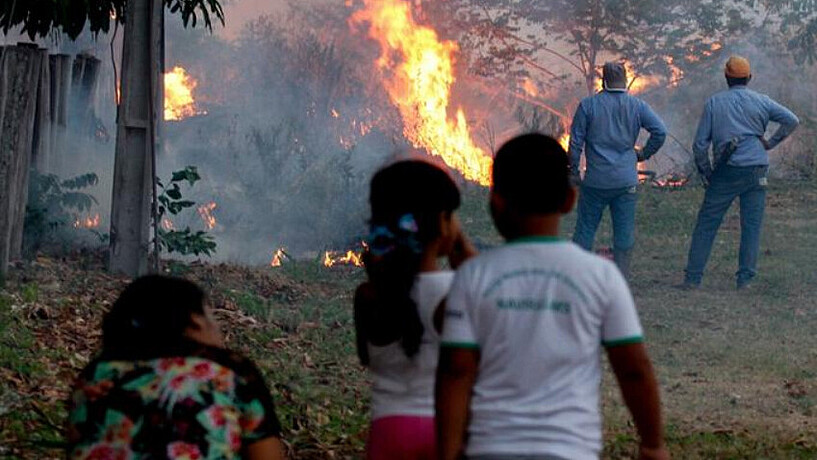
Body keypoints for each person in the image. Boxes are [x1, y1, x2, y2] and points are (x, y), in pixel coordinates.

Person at [436, 134, 668, 460]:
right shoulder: (600, 276)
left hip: (491, 449)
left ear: (495, 202)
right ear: (570, 201)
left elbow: (456, 371)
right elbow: (633, 368)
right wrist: (653, 443)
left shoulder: (474, 277)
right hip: (571, 450)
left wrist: (447, 453)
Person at [66, 276, 285, 460]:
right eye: (212, 317)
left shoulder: (96, 374)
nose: (219, 330)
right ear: (195, 321)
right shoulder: (229, 371)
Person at [354, 160, 477, 460]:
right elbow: (482, 284)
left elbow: (366, 357)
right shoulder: (455, 291)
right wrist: (460, 244)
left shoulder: (368, 295)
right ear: (443, 223)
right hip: (445, 432)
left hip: (387, 433)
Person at [682, 56, 799, 290]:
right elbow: (791, 120)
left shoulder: (714, 103)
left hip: (726, 172)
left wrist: (706, 172)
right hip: (756, 170)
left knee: (707, 223)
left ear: (726, 77)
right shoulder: (762, 101)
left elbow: (700, 145)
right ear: (749, 78)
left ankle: (693, 279)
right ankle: (744, 280)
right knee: (751, 226)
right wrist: (770, 143)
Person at [569, 61, 667, 279]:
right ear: (624, 81)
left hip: (596, 181)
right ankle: (621, 277)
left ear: (603, 81)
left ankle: (576, 276)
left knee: (585, 229)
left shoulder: (588, 106)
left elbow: (575, 143)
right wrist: (643, 154)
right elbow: (660, 132)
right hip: (625, 182)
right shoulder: (637, 106)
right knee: (623, 232)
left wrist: (573, 171)